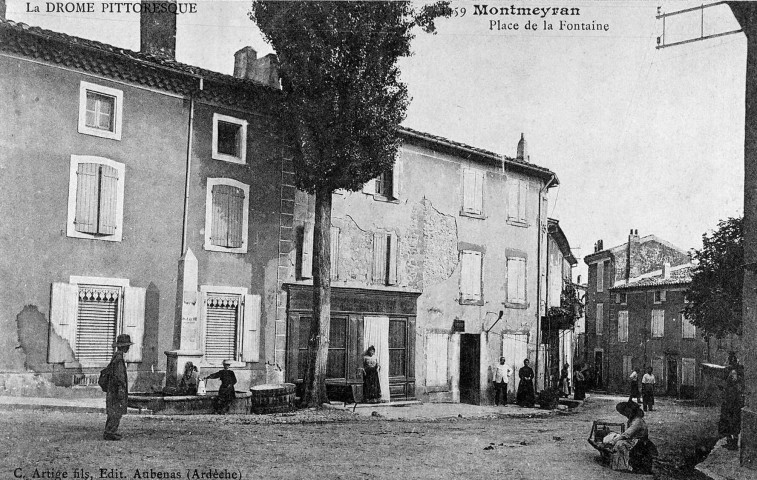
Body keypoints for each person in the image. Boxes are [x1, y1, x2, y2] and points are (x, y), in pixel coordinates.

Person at [606, 401, 656, 473]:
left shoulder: (637, 421)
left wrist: (614, 440)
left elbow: (627, 434)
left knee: (620, 444)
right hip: (634, 440)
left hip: (640, 443)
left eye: (627, 412)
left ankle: (625, 466)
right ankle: (621, 465)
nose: (626, 414)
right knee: (618, 440)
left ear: (632, 412)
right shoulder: (632, 420)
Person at [104, 334, 133, 441]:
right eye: (127, 346)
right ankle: (110, 432)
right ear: (124, 347)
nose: (128, 348)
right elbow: (119, 376)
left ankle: (110, 431)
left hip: (113, 389)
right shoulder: (119, 359)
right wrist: (121, 390)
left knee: (113, 411)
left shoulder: (116, 357)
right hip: (117, 389)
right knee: (116, 411)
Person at [719, 367, 744, 450]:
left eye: (735, 374)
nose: (733, 376)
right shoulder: (728, 385)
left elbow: (739, 397)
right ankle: (730, 442)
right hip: (728, 408)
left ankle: (734, 444)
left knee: (735, 426)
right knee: (727, 425)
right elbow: (725, 395)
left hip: (735, 408)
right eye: (732, 374)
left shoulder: (738, 385)